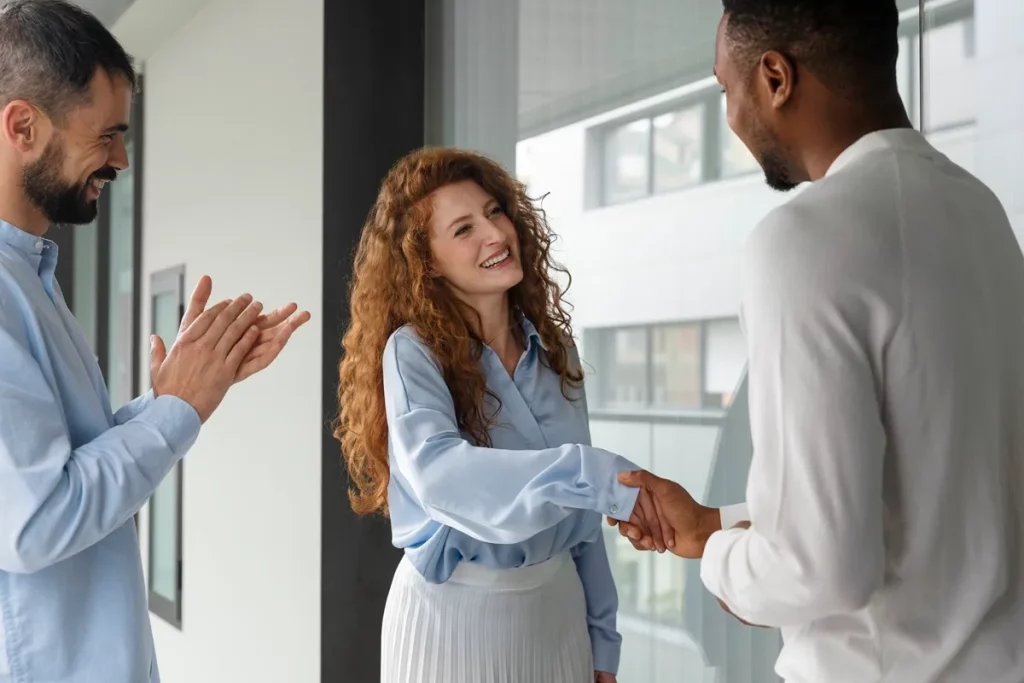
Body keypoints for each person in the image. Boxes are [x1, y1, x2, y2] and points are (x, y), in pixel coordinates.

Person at [612, 1, 1024, 682]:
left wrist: (718, 559)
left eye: (725, 89)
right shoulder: (981, 214)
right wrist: (714, 521)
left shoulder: (803, 241)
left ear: (776, 78)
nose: (731, 117)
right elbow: (941, 480)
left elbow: (816, 568)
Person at [0, 2, 309, 682]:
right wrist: (177, 412)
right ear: (23, 125)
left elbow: (65, 466)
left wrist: (182, 391)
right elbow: (35, 521)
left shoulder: (32, 276)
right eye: (107, 134)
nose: (122, 158)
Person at [335, 147, 673, 683]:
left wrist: (603, 643)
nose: (495, 234)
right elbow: (441, 477)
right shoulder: (412, 352)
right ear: (425, 261)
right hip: (451, 622)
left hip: (559, 617)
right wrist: (593, 473)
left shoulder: (556, 350)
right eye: (464, 228)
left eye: (495, 212)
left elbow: (583, 524)